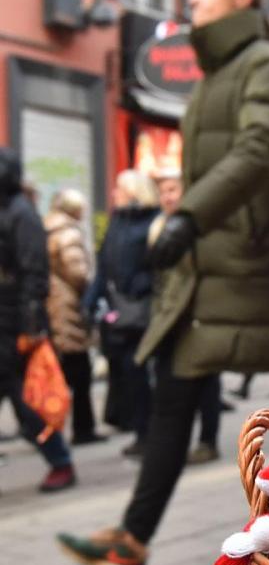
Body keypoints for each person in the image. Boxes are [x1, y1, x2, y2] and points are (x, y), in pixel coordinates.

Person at [58, 0, 269, 565]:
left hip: (265, 271)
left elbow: (259, 150)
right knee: (174, 399)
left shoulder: (263, 66)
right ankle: (131, 541)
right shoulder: (214, 78)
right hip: (214, 276)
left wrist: (187, 216)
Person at [0, 149, 76, 492]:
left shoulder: (21, 214)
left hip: (16, 324)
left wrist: (31, 328)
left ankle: (60, 461)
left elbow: (35, 275)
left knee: (28, 400)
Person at [86, 170, 158, 458]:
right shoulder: (116, 221)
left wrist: (142, 284)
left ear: (133, 191)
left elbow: (160, 267)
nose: (113, 192)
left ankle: (151, 434)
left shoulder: (152, 222)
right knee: (130, 374)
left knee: (142, 371)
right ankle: (143, 432)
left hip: (144, 310)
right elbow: (103, 267)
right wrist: (91, 300)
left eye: (119, 188)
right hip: (119, 311)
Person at [152, 170, 220, 465]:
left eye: (172, 190)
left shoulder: (199, 228)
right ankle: (172, 447)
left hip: (198, 320)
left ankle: (207, 440)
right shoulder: (158, 228)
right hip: (168, 320)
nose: (167, 196)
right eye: (163, 191)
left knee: (205, 384)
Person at [44, 189, 104, 445]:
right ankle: (82, 428)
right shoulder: (68, 232)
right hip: (67, 305)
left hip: (54, 302)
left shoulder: (47, 227)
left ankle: (61, 426)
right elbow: (77, 272)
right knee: (78, 370)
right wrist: (88, 293)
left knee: (65, 367)